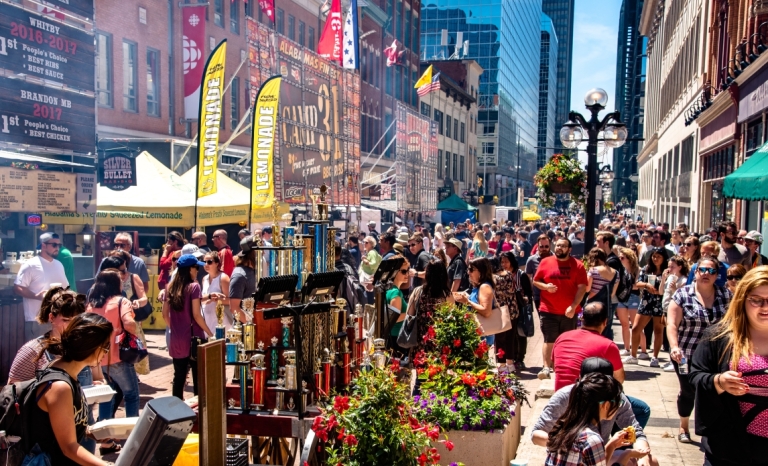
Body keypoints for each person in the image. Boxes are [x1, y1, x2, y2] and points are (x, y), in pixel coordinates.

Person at [690, 266, 768, 465]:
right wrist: (718, 381)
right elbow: (696, 374)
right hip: (730, 445)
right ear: (743, 299)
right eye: (756, 300)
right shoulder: (719, 336)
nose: (765, 307)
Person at [24, 313, 114, 465]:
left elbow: (58, 426)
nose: (106, 353)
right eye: (105, 346)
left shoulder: (68, 372)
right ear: (91, 347)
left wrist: (90, 432)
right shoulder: (60, 387)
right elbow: (69, 447)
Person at [532, 358, 656, 466]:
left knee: (651, 461)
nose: (619, 405)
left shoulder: (572, 427)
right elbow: (536, 435)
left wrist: (614, 447)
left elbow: (636, 431)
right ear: (606, 404)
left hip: (593, 451)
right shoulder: (590, 437)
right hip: (590, 450)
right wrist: (625, 456)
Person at [666, 256, 732, 444]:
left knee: (713, 390)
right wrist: (674, 347)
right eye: (702, 270)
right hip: (686, 353)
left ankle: (709, 429)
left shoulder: (726, 295)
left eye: (711, 271)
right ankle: (684, 426)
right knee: (689, 391)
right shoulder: (682, 295)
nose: (706, 274)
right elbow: (671, 324)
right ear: (695, 272)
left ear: (717, 275)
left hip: (716, 355)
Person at [86, 270, 139, 451]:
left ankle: (105, 441)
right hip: (118, 357)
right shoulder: (121, 301)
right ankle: (134, 441)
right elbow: (130, 323)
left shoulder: (92, 304)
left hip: (98, 358)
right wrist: (134, 334)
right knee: (131, 395)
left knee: (106, 398)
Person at [533, 238, 588, 380]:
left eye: (563, 246)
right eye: (557, 245)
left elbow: (582, 288)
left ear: (569, 249)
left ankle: (561, 367)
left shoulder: (578, 265)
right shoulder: (546, 262)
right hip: (548, 309)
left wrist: (574, 306)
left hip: (569, 311)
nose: (559, 248)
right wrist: (545, 287)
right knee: (549, 339)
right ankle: (546, 368)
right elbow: (536, 280)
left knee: (566, 341)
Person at [163, 254, 213, 399]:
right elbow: (197, 315)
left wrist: (175, 328)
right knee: (198, 376)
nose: (198, 270)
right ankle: (199, 409)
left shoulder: (170, 287)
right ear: (189, 269)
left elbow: (165, 314)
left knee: (179, 376)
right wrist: (210, 333)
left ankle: (177, 408)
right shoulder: (194, 286)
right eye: (196, 267)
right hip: (193, 338)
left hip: (176, 338)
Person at [553, 302, 624, 390]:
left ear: (582, 318)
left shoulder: (562, 337)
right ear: (605, 322)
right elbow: (619, 379)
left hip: (560, 396)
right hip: (586, 399)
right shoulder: (608, 345)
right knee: (636, 403)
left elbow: (555, 367)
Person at [14, 232, 70, 340]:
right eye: (54, 245)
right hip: (37, 319)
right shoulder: (30, 265)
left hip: (57, 318)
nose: (57, 248)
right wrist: (36, 296)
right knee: (36, 354)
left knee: (56, 354)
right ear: (43, 245)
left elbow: (66, 287)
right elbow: (17, 288)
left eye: (59, 245)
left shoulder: (59, 264)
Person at [624, 248, 668, 367]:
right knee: (636, 328)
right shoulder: (646, 269)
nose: (655, 258)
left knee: (658, 330)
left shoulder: (667, 271)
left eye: (658, 256)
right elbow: (637, 283)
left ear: (664, 258)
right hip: (646, 301)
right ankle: (633, 356)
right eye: (654, 256)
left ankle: (655, 357)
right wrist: (646, 285)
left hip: (660, 302)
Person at [494, 251, 530, 372]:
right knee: (510, 337)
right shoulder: (509, 275)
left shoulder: (499, 277)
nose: (504, 264)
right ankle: (510, 363)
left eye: (506, 261)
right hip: (513, 310)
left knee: (507, 337)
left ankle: (504, 364)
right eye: (502, 262)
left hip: (507, 311)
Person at [408, 259, 453, 355]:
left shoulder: (418, 291)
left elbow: (409, 315)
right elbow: (451, 319)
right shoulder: (447, 295)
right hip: (439, 343)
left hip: (419, 342)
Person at [454, 257, 496, 348]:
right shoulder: (479, 286)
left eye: (471, 269)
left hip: (482, 336)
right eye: (468, 269)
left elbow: (486, 311)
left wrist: (467, 301)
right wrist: (468, 297)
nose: (468, 272)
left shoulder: (484, 287)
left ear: (481, 271)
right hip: (477, 335)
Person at [596, 232, 623, 340]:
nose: (596, 243)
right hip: (606, 299)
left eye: (598, 241)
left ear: (606, 243)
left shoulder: (612, 261)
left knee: (605, 328)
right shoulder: (608, 258)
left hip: (609, 299)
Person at [616, 248, 641, 356]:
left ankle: (642, 349)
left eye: (622, 258)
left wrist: (626, 286)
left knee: (636, 325)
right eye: (619, 258)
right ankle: (627, 348)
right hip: (622, 298)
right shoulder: (620, 270)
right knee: (624, 324)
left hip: (633, 297)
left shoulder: (637, 270)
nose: (620, 260)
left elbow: (637, 285)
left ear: (629, 258)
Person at [201, 251, 231, 333]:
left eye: (209, 262)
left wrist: (217, 299)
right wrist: (207, 300)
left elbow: (231, 301)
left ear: (217, 263)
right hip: (207, 321)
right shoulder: (204, 279)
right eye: (204, 262)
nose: (206, 264)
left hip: (221, 322)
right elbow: (201, 299)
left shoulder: (223, 278)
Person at [229, 238, 258, 323]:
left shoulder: (254, 271)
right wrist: (252, 326)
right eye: (260, 250)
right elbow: (234, 308)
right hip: (245, 330)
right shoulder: (239, 275)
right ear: (254, 253)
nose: (263, 253)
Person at [386, 255, 410, 352]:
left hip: (392, 337)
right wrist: (411, 314)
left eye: (407, 270)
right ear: (394, 272)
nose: (407, 274)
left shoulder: (389, 289)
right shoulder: (396, 292)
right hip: (397, 339)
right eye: (403, 271)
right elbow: (393, 318)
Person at [585, 248, 618, 318]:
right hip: (606, 305)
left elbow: (587, 289)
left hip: (592, 303)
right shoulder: (616, 273)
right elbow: (612, 293)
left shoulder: (593, 271)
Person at [526, 235, 553, 312]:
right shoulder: (531, 260)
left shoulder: (556, 258)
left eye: (546, 246)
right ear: (538, 246)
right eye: (541, 246)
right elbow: (527, 277)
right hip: (538, 296)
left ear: (550, 246)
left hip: (553, 296)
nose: (544, 249)